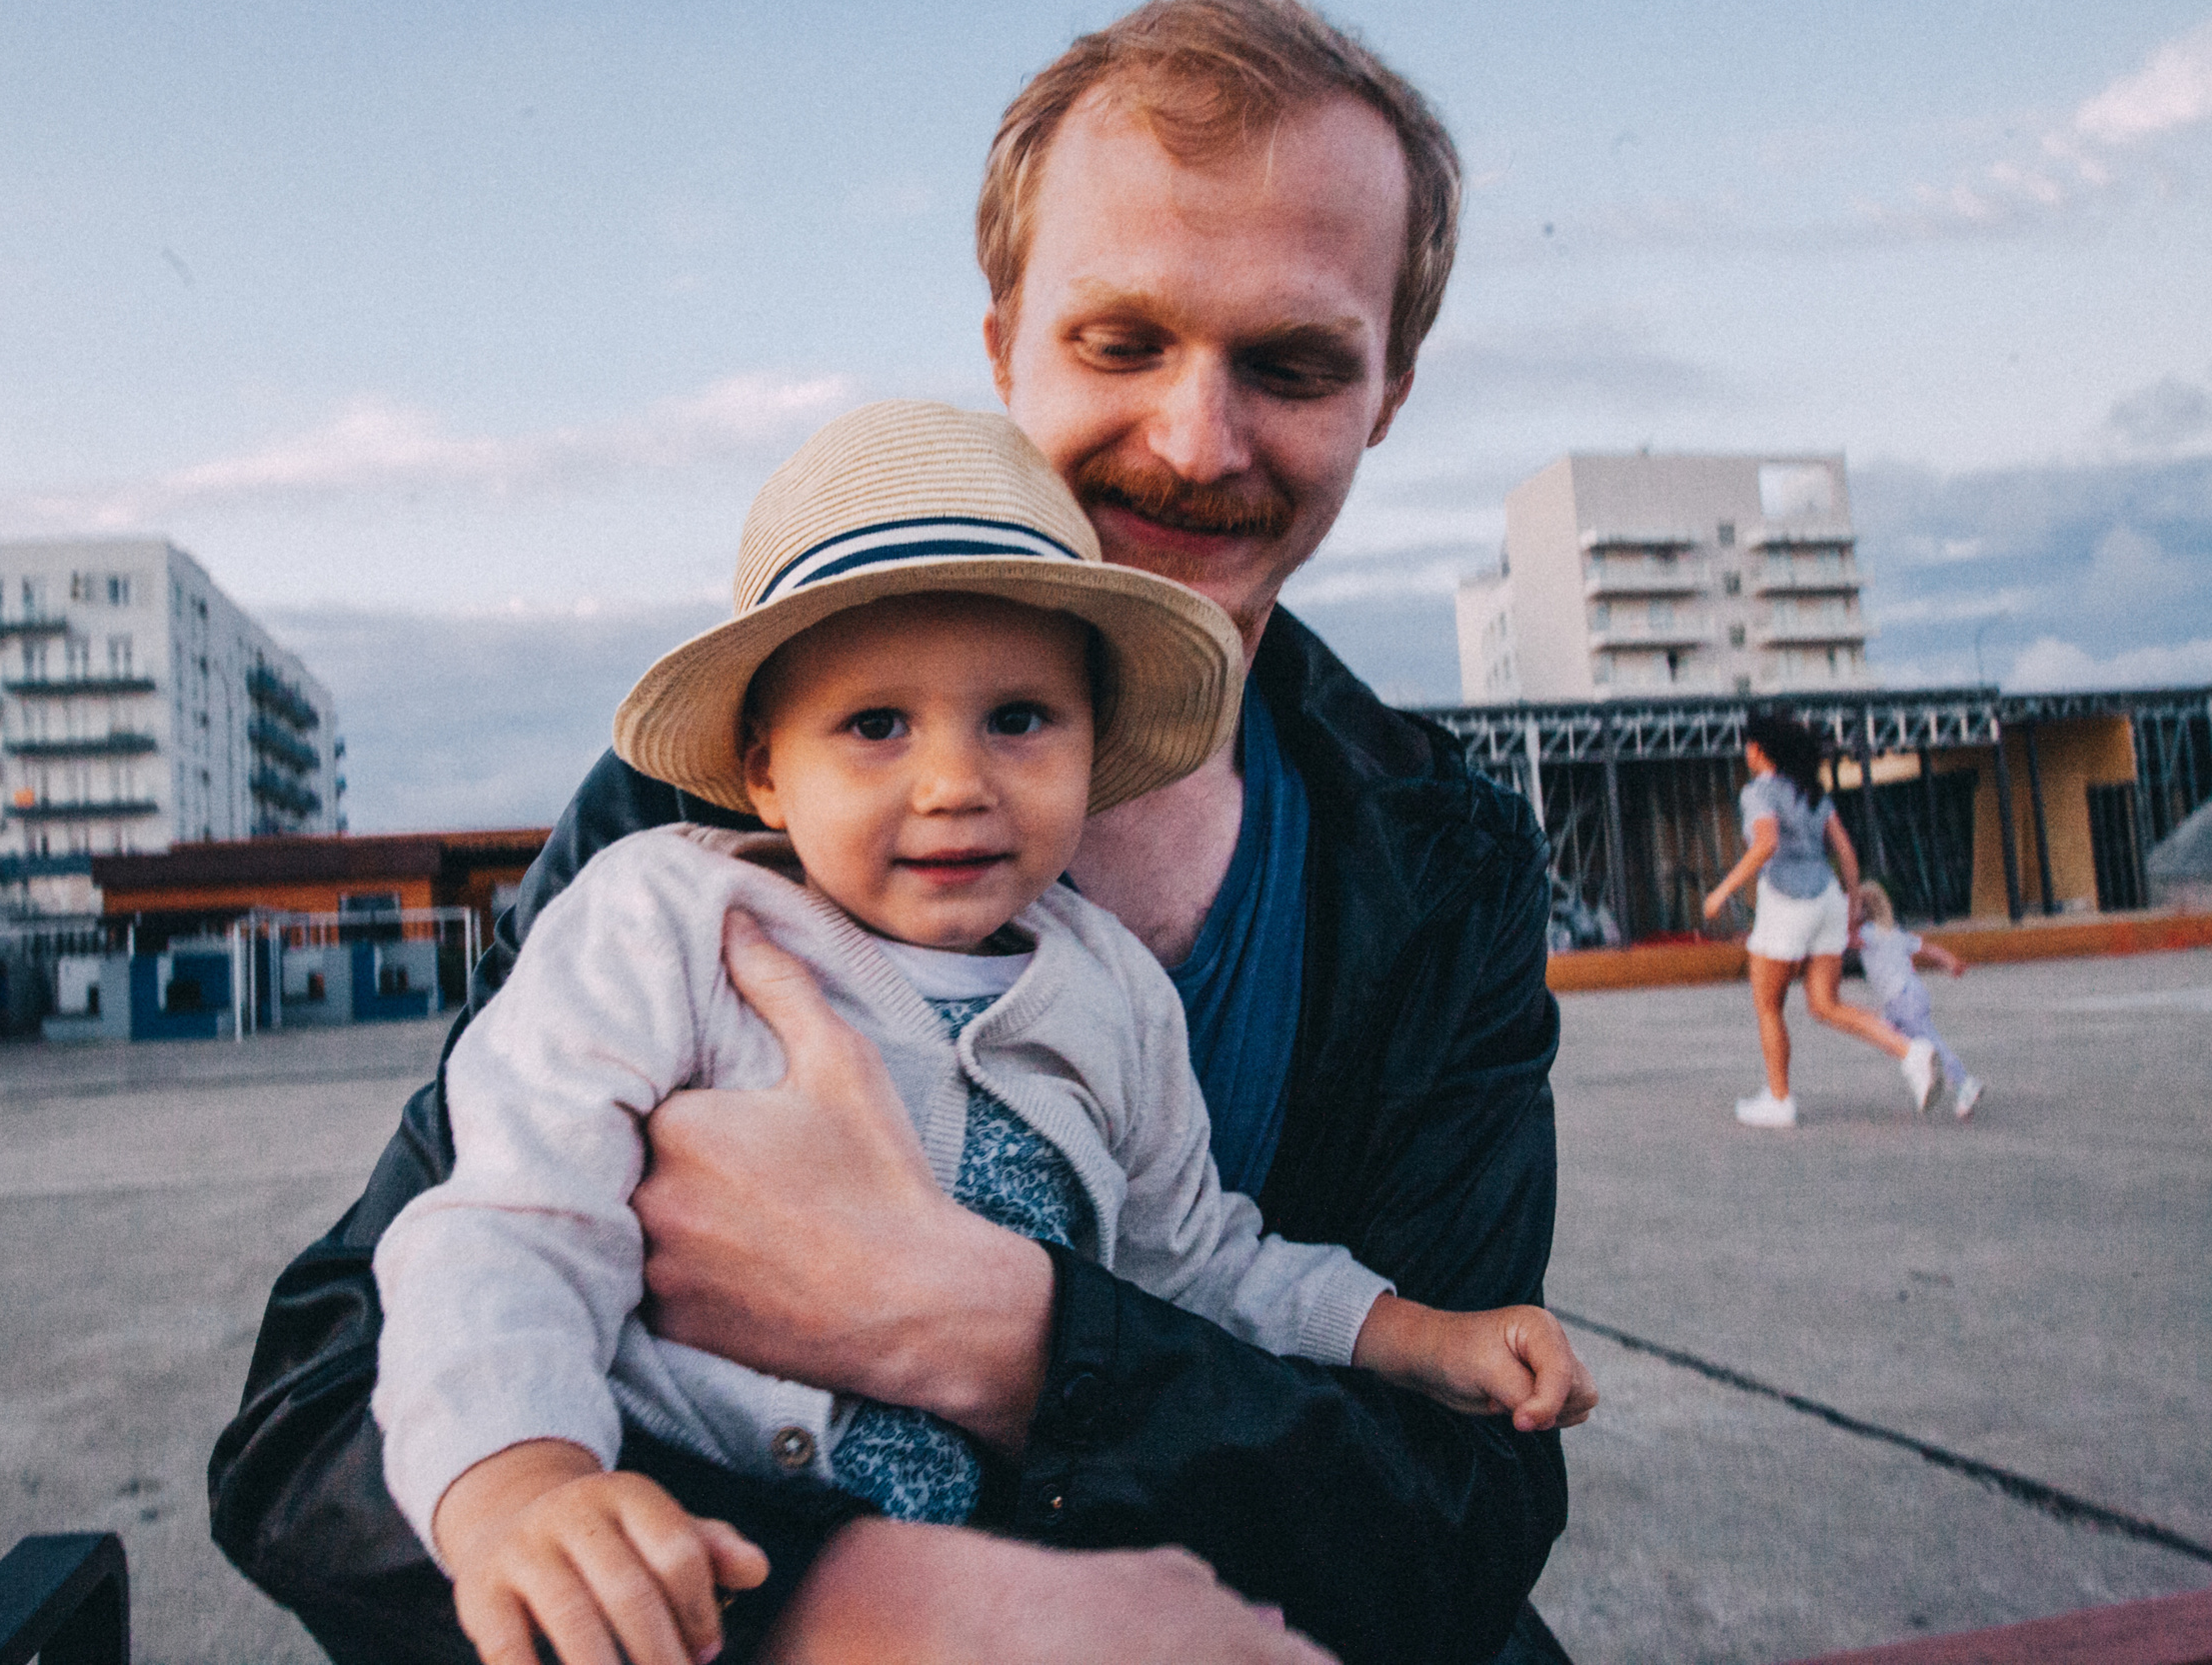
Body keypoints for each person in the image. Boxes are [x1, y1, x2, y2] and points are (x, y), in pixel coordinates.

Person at [213, 0, 1577, 1665]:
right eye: (1123, 340)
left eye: (1291, 362)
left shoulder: (1441, 866)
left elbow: (1461, 1523)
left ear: (1389, 391)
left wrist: (1003, 1337)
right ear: (1004, 342)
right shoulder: (686, 836)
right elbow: (320, 1419)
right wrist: (837, 1602)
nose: (1194, 437)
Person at [378, 401, 1595, 1665]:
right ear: (761, 769)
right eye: (875, 726)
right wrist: (521, 1483)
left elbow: (1197, 1264)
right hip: (714, 1578)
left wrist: (1415, 1334)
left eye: (1018, 718)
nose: (955, 781)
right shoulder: (658, 921)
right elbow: (511, 1225)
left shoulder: (1110, 992)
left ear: (1092, 744)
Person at [1700, 713, 1940, 1127]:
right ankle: (1912, 1052)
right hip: (1827, 897)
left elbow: (1766, 843)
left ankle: (1779, 1101)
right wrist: (1850, 907)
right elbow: (1846, 852)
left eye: (1749, 745)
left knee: (1769, 1005)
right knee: (1826, 1004)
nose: (1745, 752)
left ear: (1759, 750)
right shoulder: (1811, 792)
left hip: (1786, 900)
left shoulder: (1759, 792)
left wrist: (1723, 890)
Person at [1851, 880, 1984, 1119]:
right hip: (1907, 996)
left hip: (1902, 999)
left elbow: (1845, 940)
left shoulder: (1866, 933)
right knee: (1888, 1035)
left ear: (1862, 910)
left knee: (1928, 1044)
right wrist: (1950, 962)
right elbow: (1928, 949)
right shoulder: (1893, 933)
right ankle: (1929, 1074)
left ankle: (1964, 1083)